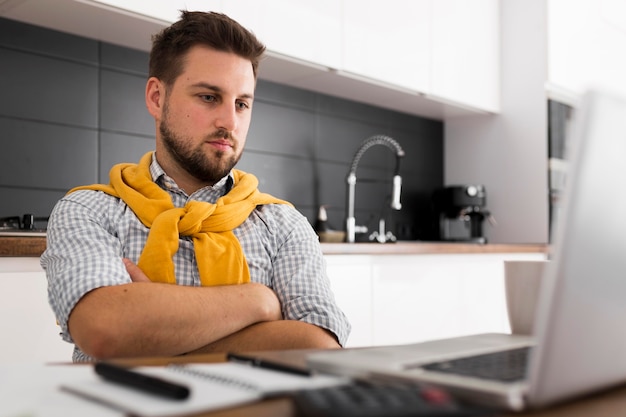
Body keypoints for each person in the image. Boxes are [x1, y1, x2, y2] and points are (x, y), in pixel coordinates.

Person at [40, 11, 351, 362]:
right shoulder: (89, 210)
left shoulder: (283, 225)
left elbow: (320, 349)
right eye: (208, 97)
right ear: (157, 98)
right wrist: (259, 302)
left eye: (242, 104)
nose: (229, 122)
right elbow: (105, 331)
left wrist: (149, 334)